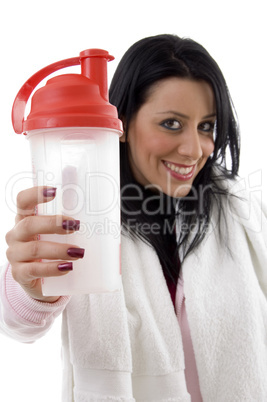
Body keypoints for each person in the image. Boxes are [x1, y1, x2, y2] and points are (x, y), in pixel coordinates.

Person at [0, 34, 266, 402]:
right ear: (122, 122)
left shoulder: (241, 212)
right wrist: (31, 286)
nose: (194, 149)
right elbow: (18, 325)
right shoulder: (80, 203)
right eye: (172, 123)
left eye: (206, 126)